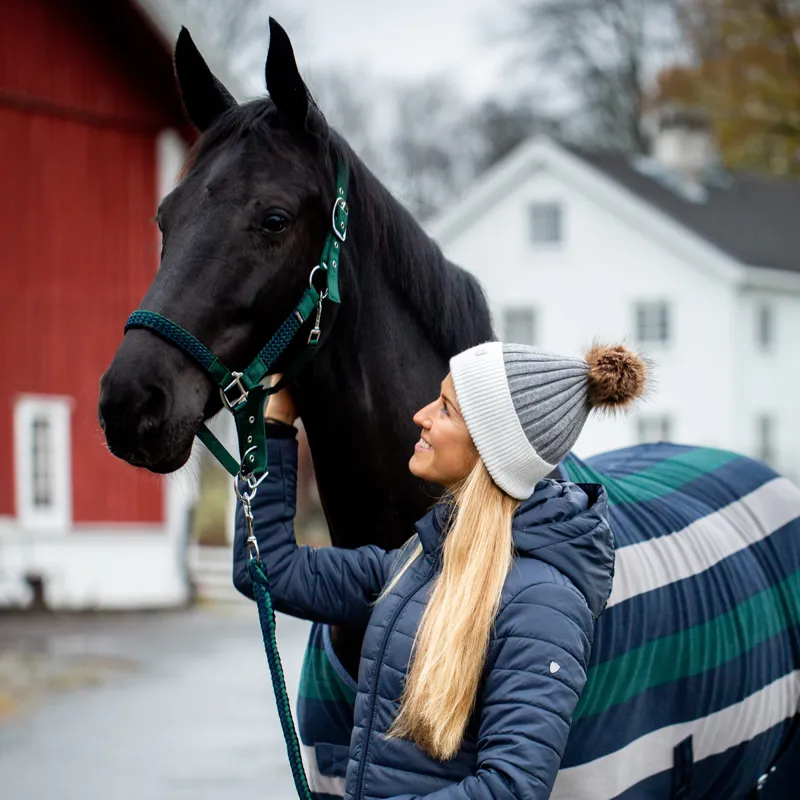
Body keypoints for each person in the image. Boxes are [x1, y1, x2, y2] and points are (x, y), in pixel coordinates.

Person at [233, 341, 647, 800]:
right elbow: (268, 571)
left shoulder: (545, 606)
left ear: (490, 449)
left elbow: (510, 788)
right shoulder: (422, 559)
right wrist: (274, 425)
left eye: (446, 408)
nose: (421, 415)